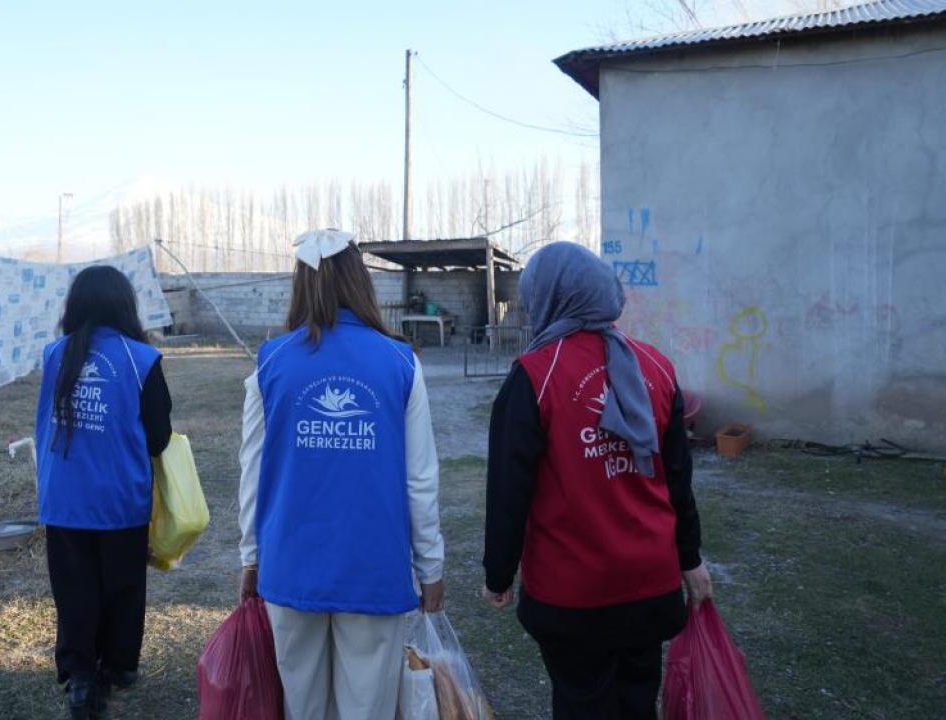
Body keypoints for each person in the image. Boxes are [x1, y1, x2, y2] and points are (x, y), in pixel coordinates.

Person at [482, 242, 712, 720]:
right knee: (636, 701)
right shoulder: (656, 366)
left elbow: (509, 491)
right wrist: (689, 558)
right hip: (650, 586)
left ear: (547, 297)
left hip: (572, 596)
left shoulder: (535, 375)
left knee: (581, 702)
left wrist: (497, 574)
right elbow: (677, 480)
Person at [237, 229, 445, 720]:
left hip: (290, 565)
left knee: (302, 706)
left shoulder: (270, 364)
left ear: (300, 284)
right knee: (367, 707)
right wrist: (430, 565)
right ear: (361, 281)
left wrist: (251, 558)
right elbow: (420, 479)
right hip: (372, 566)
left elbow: (252, 474)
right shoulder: (399, 363)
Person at [35, 265, 173, 720]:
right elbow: (158, 436)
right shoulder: (141, 359)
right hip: (119, 501)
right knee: (122, 588)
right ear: (124, 304)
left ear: (74, 305)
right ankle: (117, 667)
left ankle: (79, 678)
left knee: (74, 591)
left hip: (64, 500)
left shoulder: (55, 354)